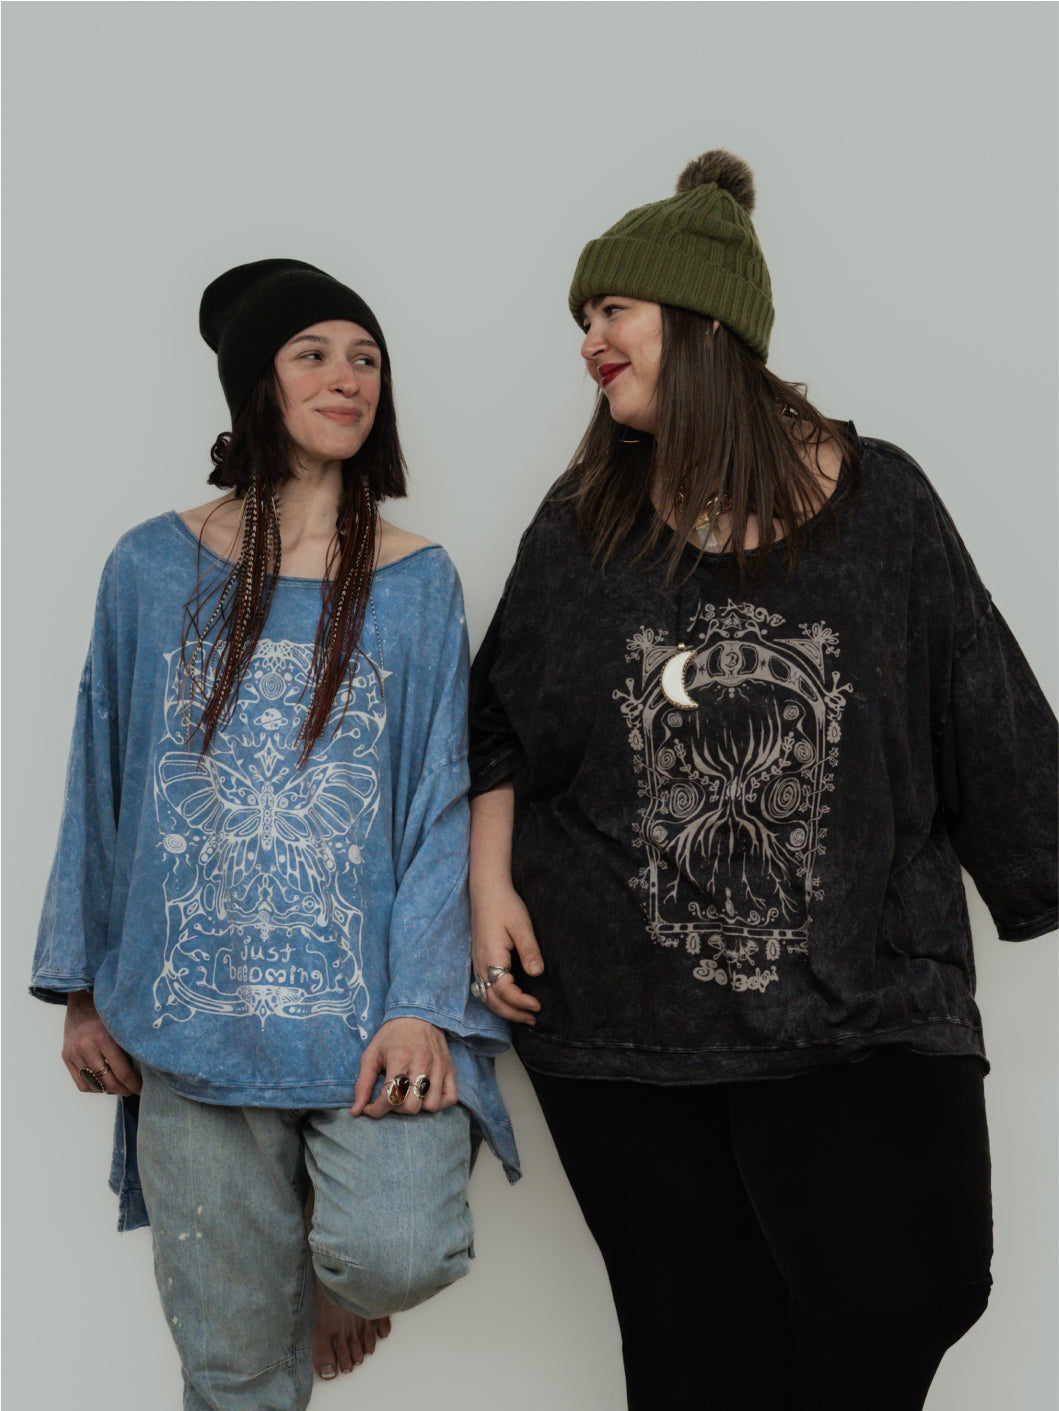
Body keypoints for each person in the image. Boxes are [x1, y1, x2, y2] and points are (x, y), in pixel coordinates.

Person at [468, 153, 1057, 1411]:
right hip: (623, 1014)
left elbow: (979, 695)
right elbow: (495, 719)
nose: (588, 342)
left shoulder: (886, 502)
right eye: (583, 318)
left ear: (702, 322)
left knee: (919, 1286)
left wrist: (1037, 862)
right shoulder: (586, 524)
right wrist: (488, 889)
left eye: (611, 310)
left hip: (862, 994)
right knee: (694, 1357)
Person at [32, 258, 518, 1410]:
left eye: (366, 358)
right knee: (234, 1370)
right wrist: (82, 988)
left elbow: (439, 798)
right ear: (260, 383)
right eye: (314, 355)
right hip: (195, 1014)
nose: (348, 379)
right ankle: (276, 1276)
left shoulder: (417, 581)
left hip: (369, 1022)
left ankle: (324, 1252)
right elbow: (102, 773)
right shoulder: (151, 566)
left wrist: (421, 1002)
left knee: (395, 1246)